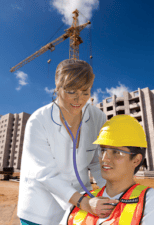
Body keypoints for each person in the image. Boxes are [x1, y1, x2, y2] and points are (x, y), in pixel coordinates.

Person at [17, 59, 119, 225]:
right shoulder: (38, 121)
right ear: (58, 87)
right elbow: (45, 174)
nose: (79, 99)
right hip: (40, 209)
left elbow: (97, 161)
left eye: (85, 92)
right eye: (71, 91)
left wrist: (112, 192)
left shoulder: (97, 117)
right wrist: (84, 202)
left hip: (81, 205)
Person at [60, 115, 154, 225]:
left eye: (117, 152)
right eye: (103, 150)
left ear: (136, 160)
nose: (104, 159)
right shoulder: (83, 200)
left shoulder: (149, 200)